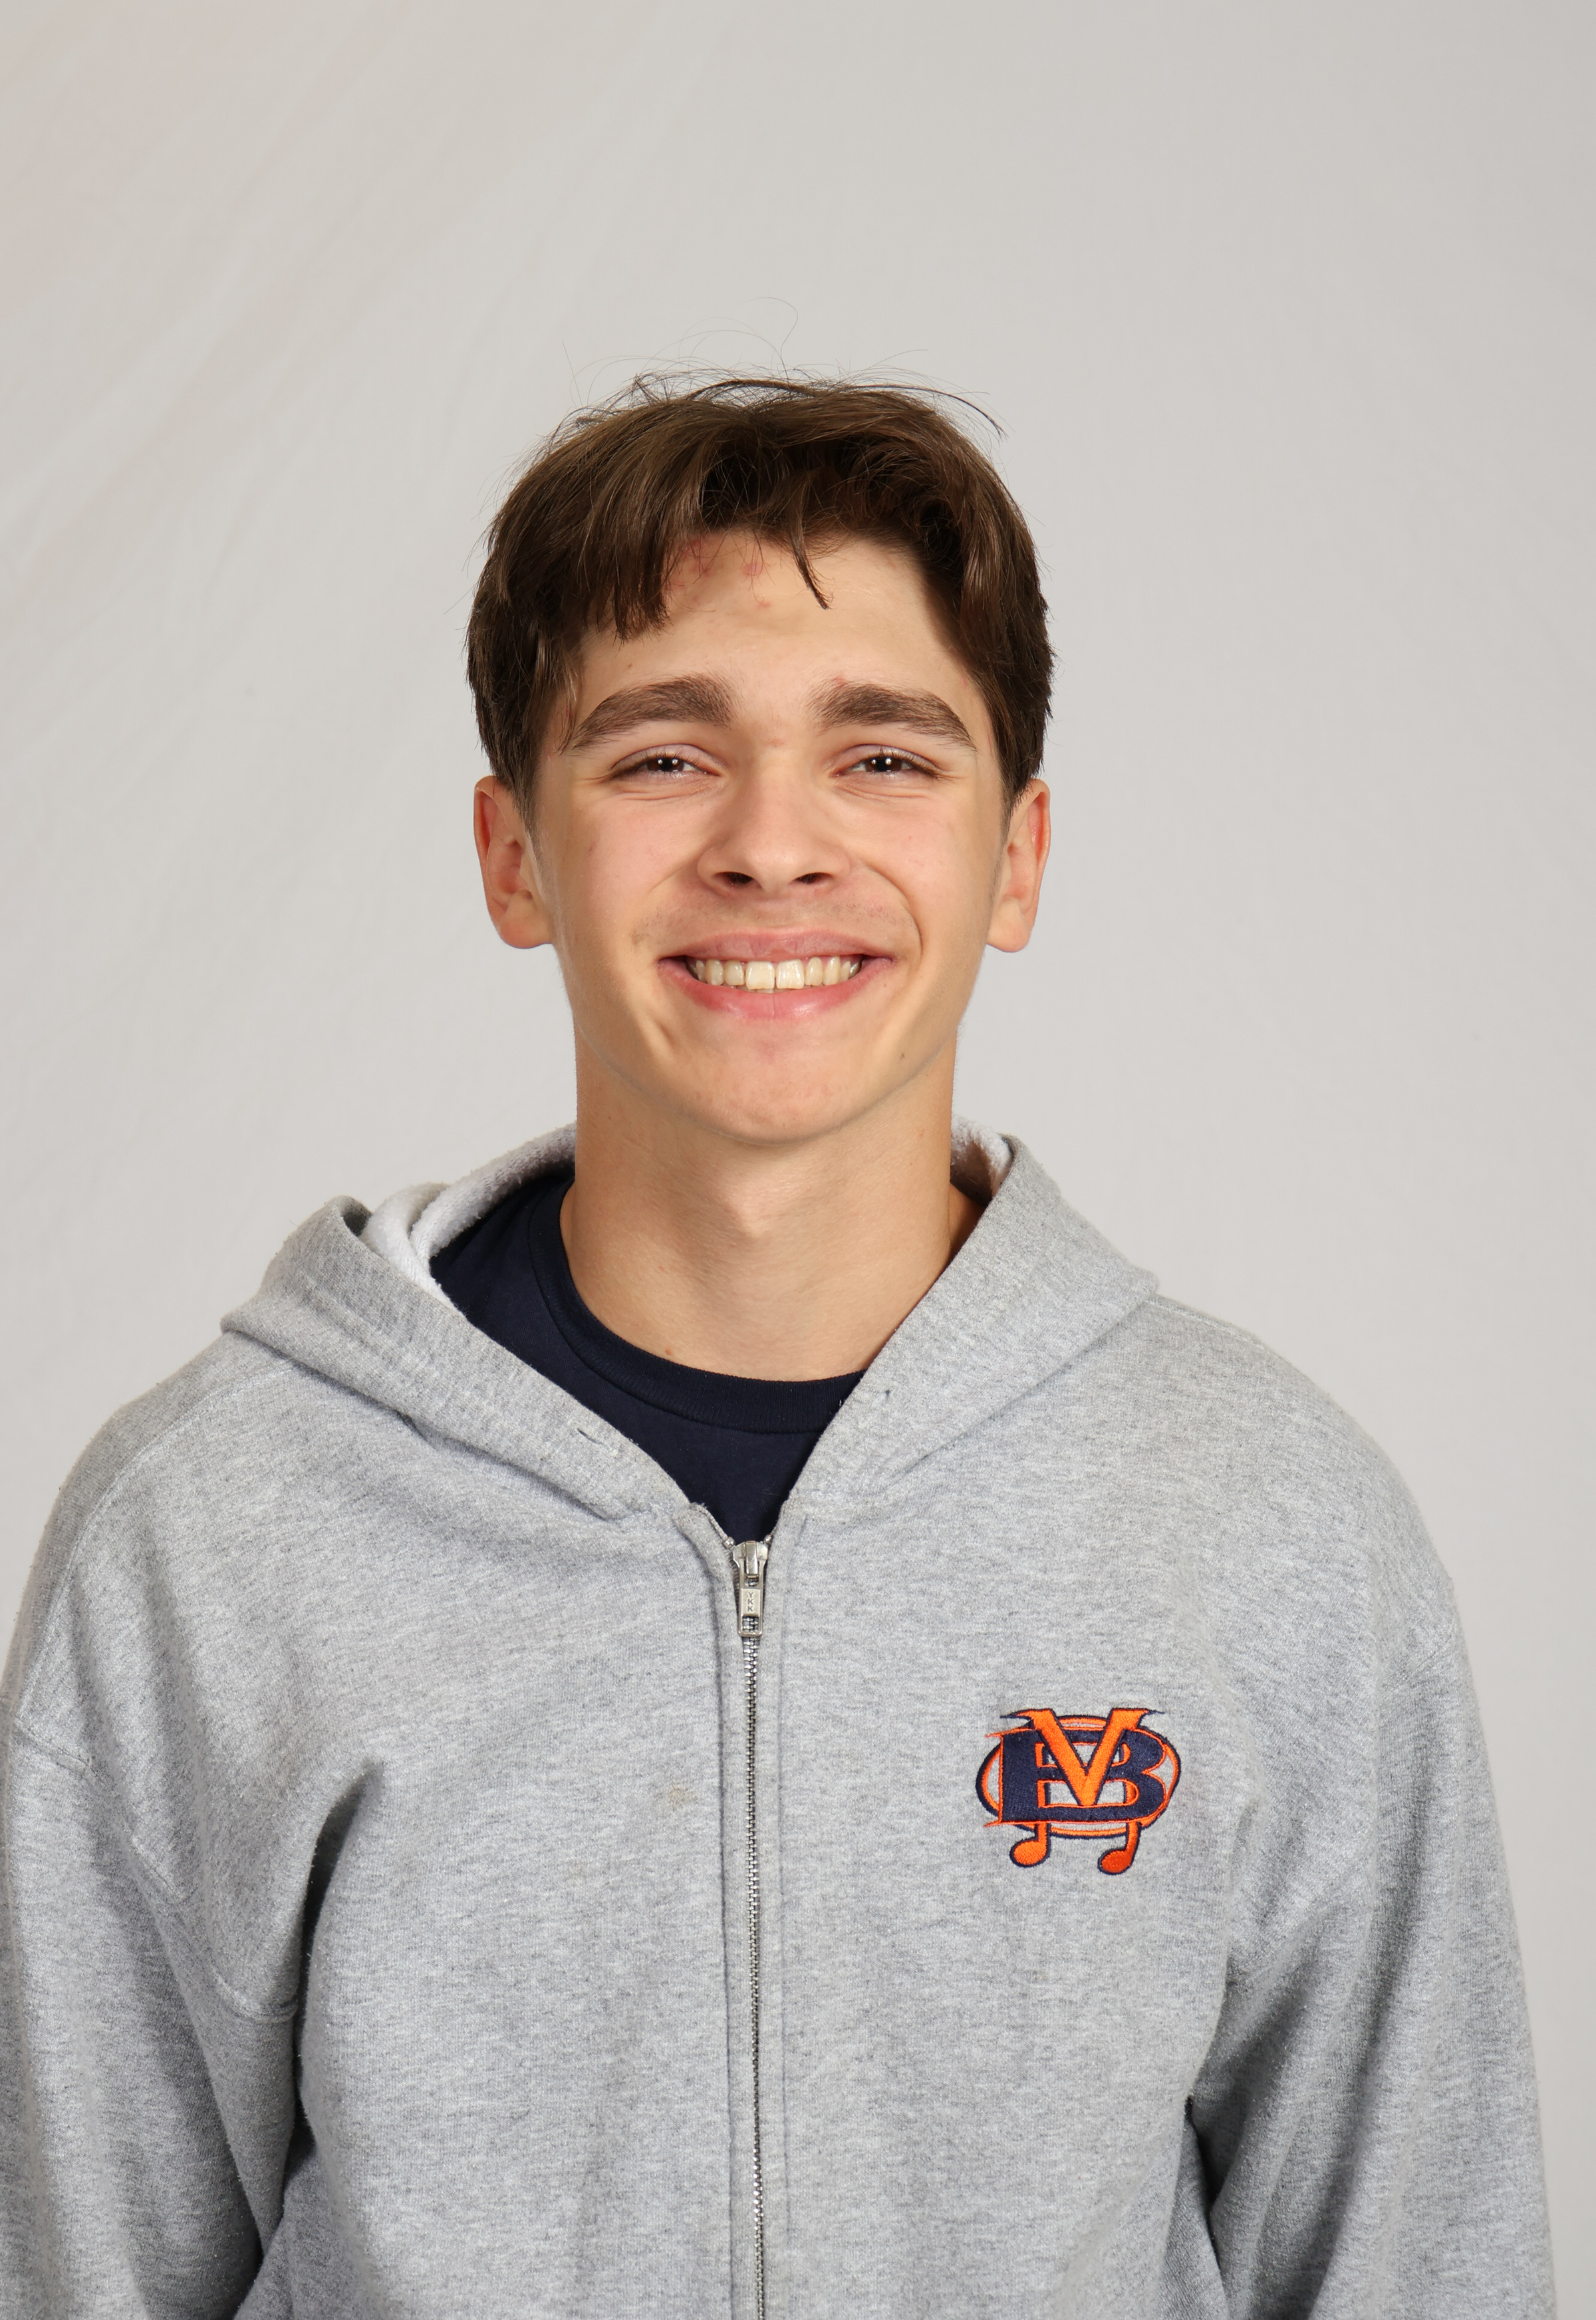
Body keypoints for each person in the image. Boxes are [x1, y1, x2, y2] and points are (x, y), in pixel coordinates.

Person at [0, 377, 1553, 2319]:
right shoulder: (210, 1531)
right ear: (512, 854)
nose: (772, 846)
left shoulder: (1267, 1522)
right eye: (663, 755)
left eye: (883, 757)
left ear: (1018, 858)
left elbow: (1420, 2264)